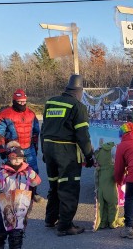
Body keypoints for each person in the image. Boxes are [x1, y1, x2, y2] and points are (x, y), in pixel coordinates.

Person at [41, 74, 95, 236]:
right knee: (69, 187)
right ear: (79, 91)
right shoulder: (77, 107)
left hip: (49, 148)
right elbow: (82, 135)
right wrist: (89, 156)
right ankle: (65, 226)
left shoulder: (51, 102)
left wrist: (44, 151)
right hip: (66, 152)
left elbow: (44, 130)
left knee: (54, 185)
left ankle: (50, 219)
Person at [0, 89, 43, 203]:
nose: (22, 104)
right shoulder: (4, 115)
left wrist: (35, 146)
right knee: (10, 173)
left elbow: (36, 132)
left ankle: (33, 192)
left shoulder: (31, 114)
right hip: (13, 149)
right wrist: (2, 150)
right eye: (19, 101)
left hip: (29, 148)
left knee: (32, 171)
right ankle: (9, 194)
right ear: (14, 101)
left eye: (24, 101)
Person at [0, 141, 41, 249]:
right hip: (5, 203)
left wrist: (33, 181)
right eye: (14, 158)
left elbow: (37, 180)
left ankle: (16, 246)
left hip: (21, 203)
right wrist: (0, 183)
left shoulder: (27, 171)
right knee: (1, 228)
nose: (17, 160)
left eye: (19, 158)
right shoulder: (3, 172)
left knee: (16, 232)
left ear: (23, 158)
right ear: (9, 158)